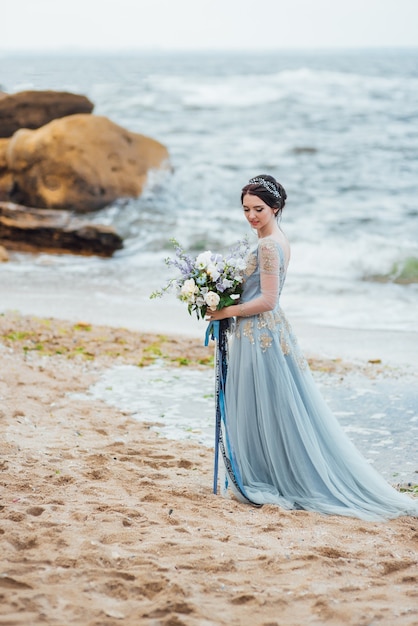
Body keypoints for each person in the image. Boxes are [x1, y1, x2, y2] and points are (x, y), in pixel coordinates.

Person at [206, 174, 418, 521]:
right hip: (259, 332)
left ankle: (272, 476)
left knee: (268, 405)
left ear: (276, 207)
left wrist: (225, 309)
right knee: (269, 405)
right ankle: (268, 470)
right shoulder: (275, 239)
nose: (251, 216)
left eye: (258, 209)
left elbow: (269, 300)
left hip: (259, 332)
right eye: (245, 209)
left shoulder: (269, 245)